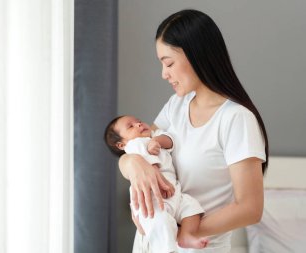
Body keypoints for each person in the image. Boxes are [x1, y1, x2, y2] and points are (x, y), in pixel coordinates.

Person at [119, 9, 269, 253]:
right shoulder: (175, 106)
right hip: (150, 244)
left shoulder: (236, 119)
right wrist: (133, 166)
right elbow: (137, 148)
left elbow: (250, 209)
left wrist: (179, 231)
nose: (164, 74)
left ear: (197, 55)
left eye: (169, 63)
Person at [104, 115, 209, 252]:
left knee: (192, 207)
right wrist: (153, 168)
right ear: (121, 145)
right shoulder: (133, 145)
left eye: (139, 121)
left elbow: (170, 141)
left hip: (175, 194)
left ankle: (186, 235)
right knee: (159, 220)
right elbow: (144, 166)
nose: (139, 125)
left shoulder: (154, 136)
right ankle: (166, 249)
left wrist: (156, 141)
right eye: (131, 126)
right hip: (153, 199)